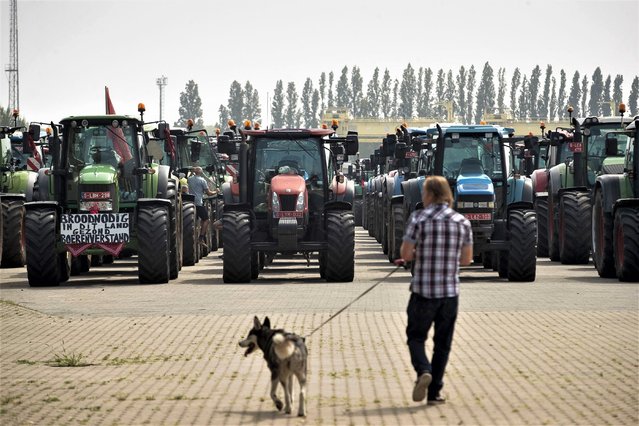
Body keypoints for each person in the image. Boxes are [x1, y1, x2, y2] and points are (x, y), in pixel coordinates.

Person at [398, 175, 473, 405]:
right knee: (443, 344)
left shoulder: (419, 218)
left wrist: (420, 254)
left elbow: (406, 254)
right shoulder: (462, 222)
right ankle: (435, 392)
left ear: (429, 194)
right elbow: (467, 260)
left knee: (416, 337)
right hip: (449, 294)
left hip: (422, 292)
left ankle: (423, 372)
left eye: (424, 193)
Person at [188, 166, 216, 248]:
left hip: (190, 203)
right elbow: (209, 193)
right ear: (201, 172)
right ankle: (201, 238)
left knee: (195, 222)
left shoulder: (189, 179)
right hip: (198, 203)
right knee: (206, 220)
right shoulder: (202, 180)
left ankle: (194, 238)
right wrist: (216, 191)